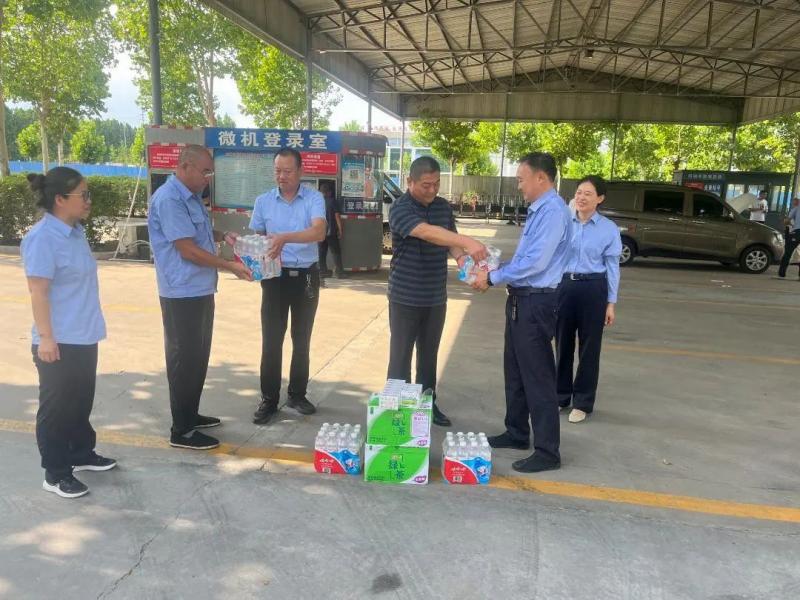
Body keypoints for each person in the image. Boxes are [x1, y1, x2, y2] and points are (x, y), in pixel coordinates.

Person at [471, 152, 571, 473]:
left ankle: (548, 451)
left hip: (536, 303)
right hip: (520, 300)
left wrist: (494, 277)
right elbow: (524, 258)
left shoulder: (553, 212)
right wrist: (496, 267)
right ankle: (516, 432)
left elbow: (536, 263)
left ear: (541, 178)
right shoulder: (539, 210)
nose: (519, 186)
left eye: (521, 179)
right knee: (514, 370)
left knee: (537, 376)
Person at [148, 145, 252, 451]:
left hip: (200, 288)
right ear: (185, 167)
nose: (209, 177)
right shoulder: (169, 199)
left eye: (210, 171)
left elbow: (200, 234)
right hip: (181, 291)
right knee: (184, 359)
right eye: (205, 171)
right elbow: (187, 250)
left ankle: (190, 414)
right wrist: (230, 265)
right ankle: (181, 431)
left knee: (197, 357)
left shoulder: (191, 197)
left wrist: (223, 236)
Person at [21, 168, 116, 498]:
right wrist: (46, 338)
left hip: (84, 334)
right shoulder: (42, 238)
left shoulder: (75, 233)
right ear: (60, 200)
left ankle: (80, 453)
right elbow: (38, 292)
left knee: (79, 402)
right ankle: (56, 472)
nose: (89, 201)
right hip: (58, 340)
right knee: (57, 409)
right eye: (83, 195)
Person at [388, 156, 488, 427]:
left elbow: (450, 242)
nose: (432, 190)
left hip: (435, 296)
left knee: (429, 355)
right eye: (425, 185)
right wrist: (467, 241)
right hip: (405, 296)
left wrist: (465, 263)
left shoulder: (442, 207)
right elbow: (427, 232)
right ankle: (398, 411)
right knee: (400, 355)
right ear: (409, 181)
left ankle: (427, 405)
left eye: (436, 184)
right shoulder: (400, 208)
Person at [250, 148, 327, 425]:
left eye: (287, 171)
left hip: (306, 277)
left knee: (301, 338)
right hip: (274, 278)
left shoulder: (314, 199)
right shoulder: (263, 202)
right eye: (277, 171)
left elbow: (319, 231)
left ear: (300, 171)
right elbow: (258, 237)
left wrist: (284, 238)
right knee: (271, 340)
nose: (281, 176)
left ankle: (297, 394)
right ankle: (269, 399)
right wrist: (247, 251)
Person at [555, 175, 622, 424]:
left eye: (588, 194)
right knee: (562, 343)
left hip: (594, 289)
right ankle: (560, 396)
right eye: (579, 192)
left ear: (600, 199)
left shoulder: (608, 229)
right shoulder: (564, 223)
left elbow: (613, 267)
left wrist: (610, 303)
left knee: (590, 348)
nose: (582, 197)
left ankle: (582, 402)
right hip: (564, 286)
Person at [318, 181, 345, 278]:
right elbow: (337, 216)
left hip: (320, 232)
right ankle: (339, 273)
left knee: (322, 252)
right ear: (329, 192)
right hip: (331, 232)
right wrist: (340, 230)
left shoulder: (317, 202)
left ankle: (322, 272)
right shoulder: (333, 201)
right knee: (336, 252)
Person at [777, 197, 800, 280]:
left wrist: (789, 223)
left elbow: (786, 221)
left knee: (788, 252)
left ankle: (781, 273)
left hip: (797, 232)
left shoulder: (796, 209)